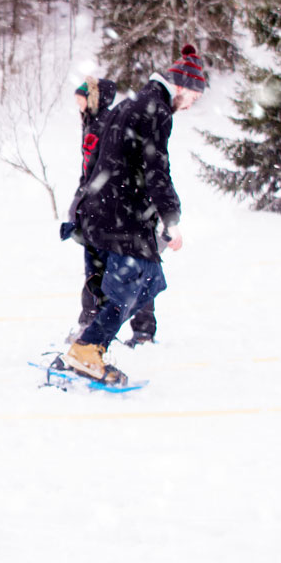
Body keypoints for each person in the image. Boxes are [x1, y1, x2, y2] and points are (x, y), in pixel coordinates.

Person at [60, 45, 208, 387]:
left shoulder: (130, 103)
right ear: (182, 88)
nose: (190, 106)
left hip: (98, 213)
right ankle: (88, 349)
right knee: (144, 281)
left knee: (106, 286)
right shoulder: (156, 109)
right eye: (193, 99)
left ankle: (84, 347)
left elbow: (98, 160)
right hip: (121, 217)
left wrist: (82, 207)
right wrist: (171, 220)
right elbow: (157, 170)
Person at [70, 76, 158, 347]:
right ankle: (90, 323)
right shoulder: (90, 123)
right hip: (95, 207)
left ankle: (141, 329)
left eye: (82, 97)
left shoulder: (107, 124)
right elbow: (88, 170)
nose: (77, 103)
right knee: (100, 268)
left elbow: (109, 170)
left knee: (129, 268)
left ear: (95, 99)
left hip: (117, 210)